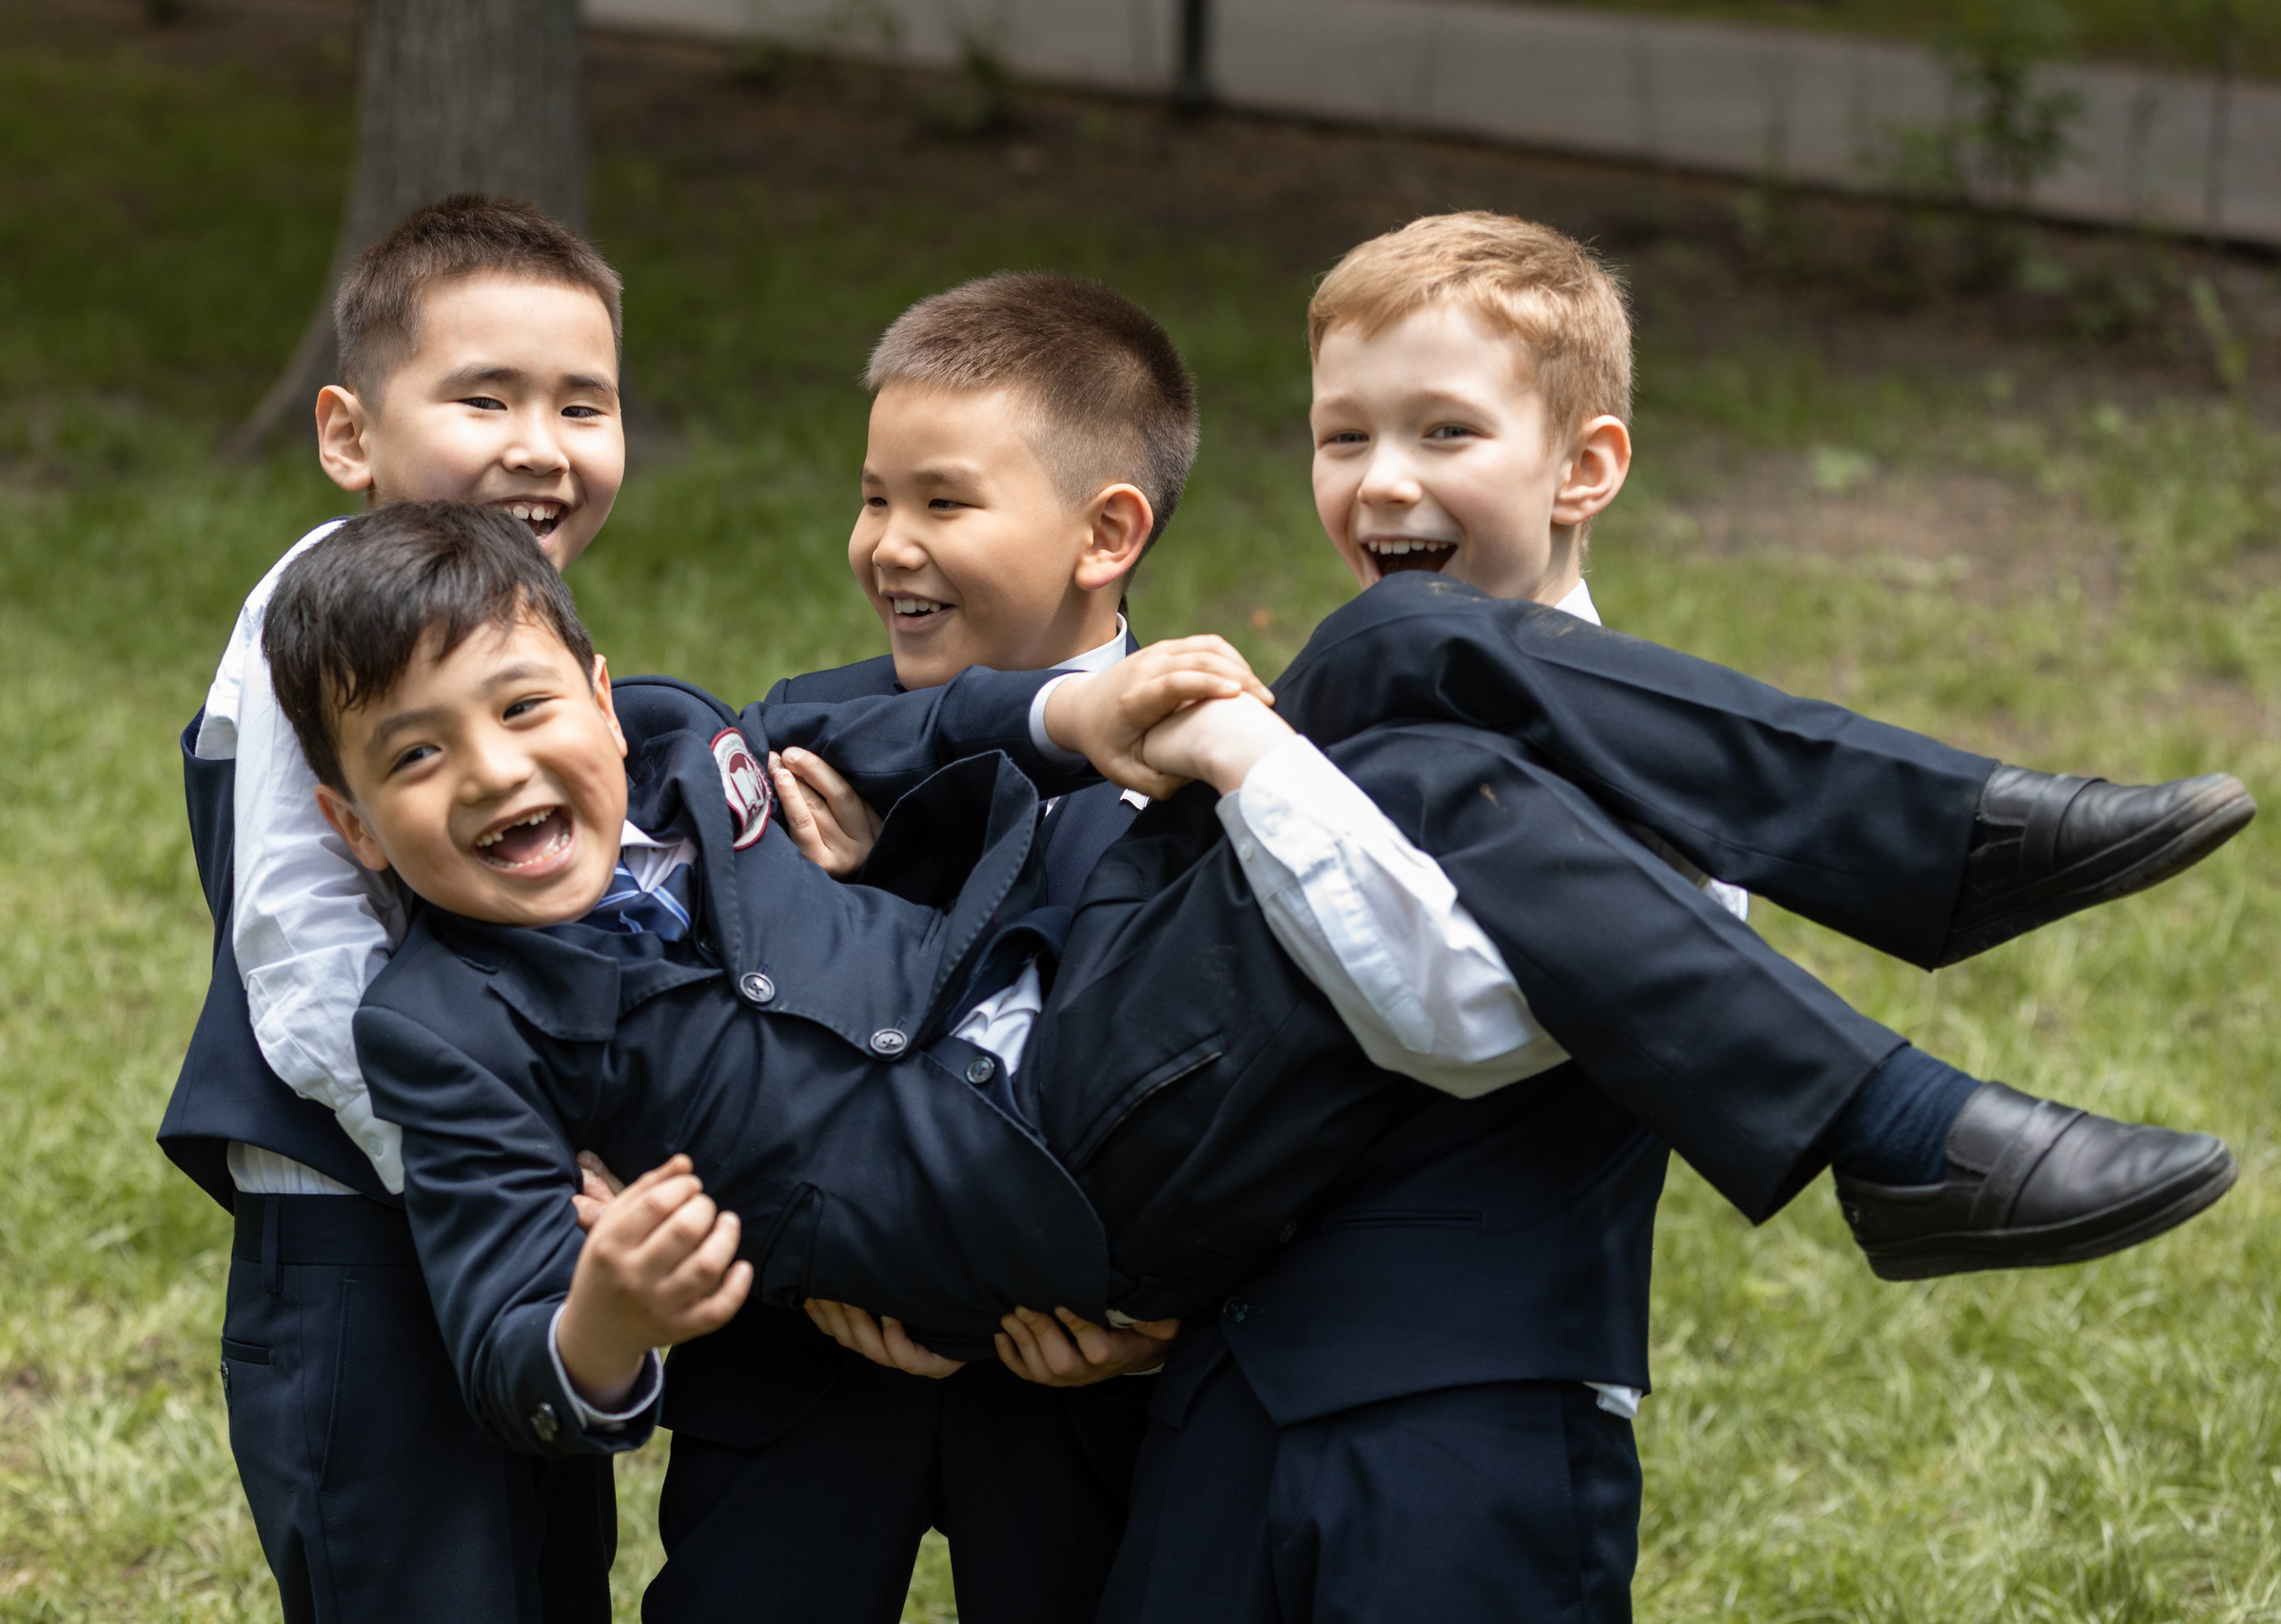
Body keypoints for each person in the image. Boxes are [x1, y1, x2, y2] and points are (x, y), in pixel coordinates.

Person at [264, 504, 2238, 1578]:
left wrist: (1076, 719)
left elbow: (921, 726)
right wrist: (612, 1315)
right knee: (1429, 754)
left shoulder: (700, 732)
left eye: (524, 709)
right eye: (414, 762)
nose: (497, 775)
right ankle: (1894, 1114)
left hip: (1069, 1006)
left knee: (1390, 655)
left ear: (603, 696)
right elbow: (509, 1319)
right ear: (354, 825)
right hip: (1041, 1171)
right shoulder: (441, 1010)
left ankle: (1941, 845)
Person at [1087, 209, 2254, 1623]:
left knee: (1398, 677)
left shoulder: (1672, 788)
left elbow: (1460, 1021)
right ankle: (1936, 963)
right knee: (1394, 655)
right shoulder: (1323, 718)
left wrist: (1254, 762)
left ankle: (1931, 1002)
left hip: (1472, 1421)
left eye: (1446, 433)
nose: (1384, 482)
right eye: (1345, 438)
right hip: (1217, 1386)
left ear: (1586, 467)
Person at [638, 275, 1196, 1624]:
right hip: (805, 1370)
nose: (887, 543)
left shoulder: (1203, 776)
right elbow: (688, 1029)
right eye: (875, 496)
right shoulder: (788, 747)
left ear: (1106, 531)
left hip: (1079, 1393)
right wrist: (805, 1252)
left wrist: (1155, 1331)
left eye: (943, 503)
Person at [166, 193, 664, 1624]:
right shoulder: (316, 628)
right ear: (348, 435)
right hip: (367, 1245)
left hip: (488, 1230)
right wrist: (497, 1179)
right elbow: (309, 965)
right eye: (484, 397)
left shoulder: (499, 620)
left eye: (584, 403)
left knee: (540, 1570)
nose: (539, 444)